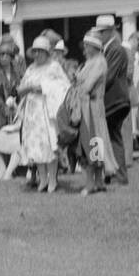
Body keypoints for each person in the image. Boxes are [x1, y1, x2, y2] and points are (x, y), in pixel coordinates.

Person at [16, 36, 69, 194]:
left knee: (49, 144)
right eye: (35, 51)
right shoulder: (31, 68)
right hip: (33, 111)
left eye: (40, 51)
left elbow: (65, 86)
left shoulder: (54, 67)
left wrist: (44, 87)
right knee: (35, 145)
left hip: (47, 109)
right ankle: (43, 179)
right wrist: (28, 88)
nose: (37, 54)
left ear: (47, 53)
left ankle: (52, 179)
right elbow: (21, 88)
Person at [74, 31, 119, 196]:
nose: (84, 48)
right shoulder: (90, 61)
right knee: (95, 142)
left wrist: (77, 86)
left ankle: (91, 183)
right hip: (87, 106)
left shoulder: (99, 62)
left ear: (94, 46)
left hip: (92, 107)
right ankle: (99, 182)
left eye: (87, 45)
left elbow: (88, 85)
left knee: (92, 142)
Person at [96, 14, 131, 185]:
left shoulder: (116, 49)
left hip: (116, 100)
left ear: (110, 31)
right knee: (109, 137)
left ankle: (119, 176)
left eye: (101, 32)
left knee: (113, 137)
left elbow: (107, 76)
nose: (99, 35)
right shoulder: (108, 49)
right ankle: (110, 173)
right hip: (113, 100)